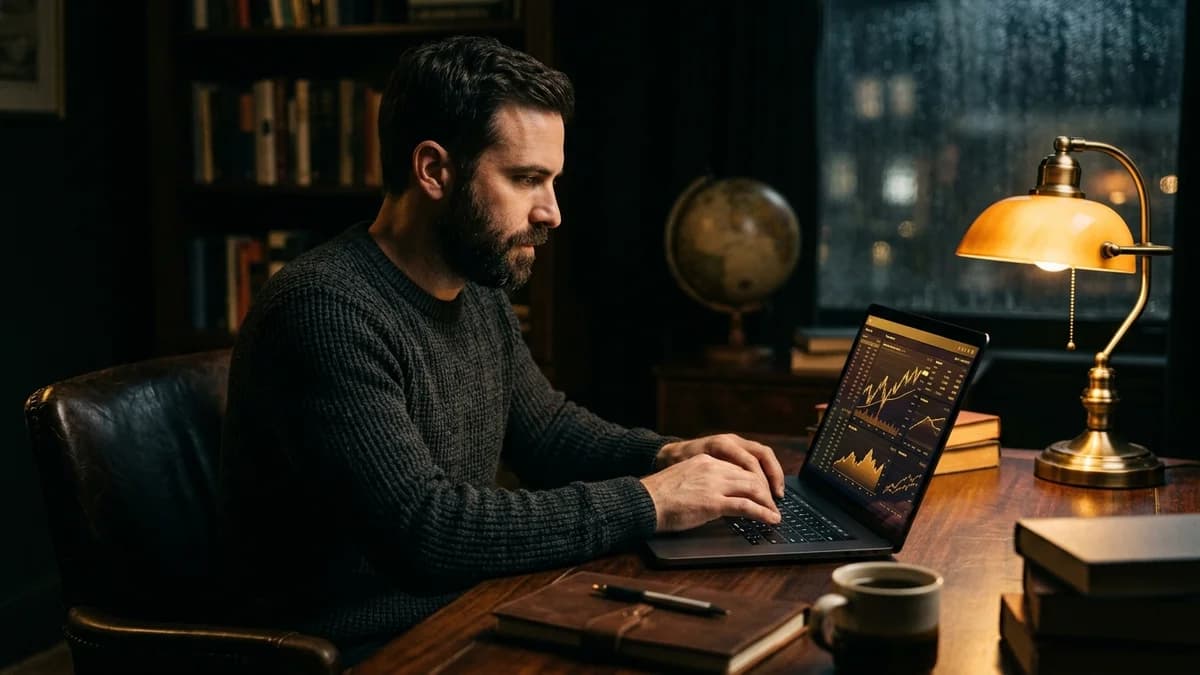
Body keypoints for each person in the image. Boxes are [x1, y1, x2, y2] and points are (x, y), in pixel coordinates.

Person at [218, 35, 784, 666]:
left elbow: (546, 435)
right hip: (367, 649)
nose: (552, 213)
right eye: (526, 179)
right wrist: (653, 499)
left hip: (471, 609)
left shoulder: (475, 286)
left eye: (552, 181)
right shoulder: (321, 309)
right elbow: (429, 530)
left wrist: (667, 453)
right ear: (434, 171)